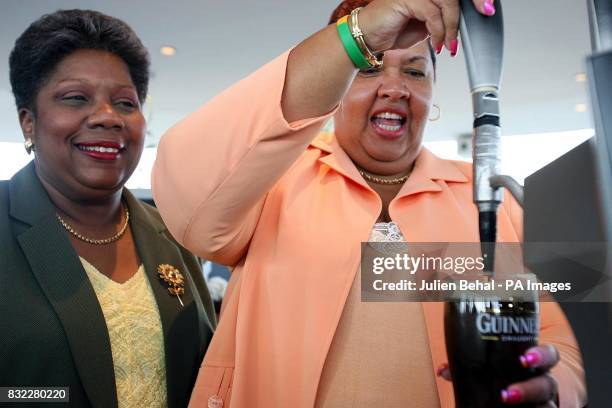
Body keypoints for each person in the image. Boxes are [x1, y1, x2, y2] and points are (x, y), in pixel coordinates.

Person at [152, 0, 586, 406]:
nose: (395, 88)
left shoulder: (489, 200)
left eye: (416, 73)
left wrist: (551, 384)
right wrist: (355, 35)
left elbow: (568, 340)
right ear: (331, 86)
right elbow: (189, 200)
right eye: (369, 67)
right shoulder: (271, 182)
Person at [0, 10, 215, 408]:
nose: (107, 117)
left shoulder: (172, 234)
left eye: (124, 103)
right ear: (28, 122)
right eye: (76, 98)